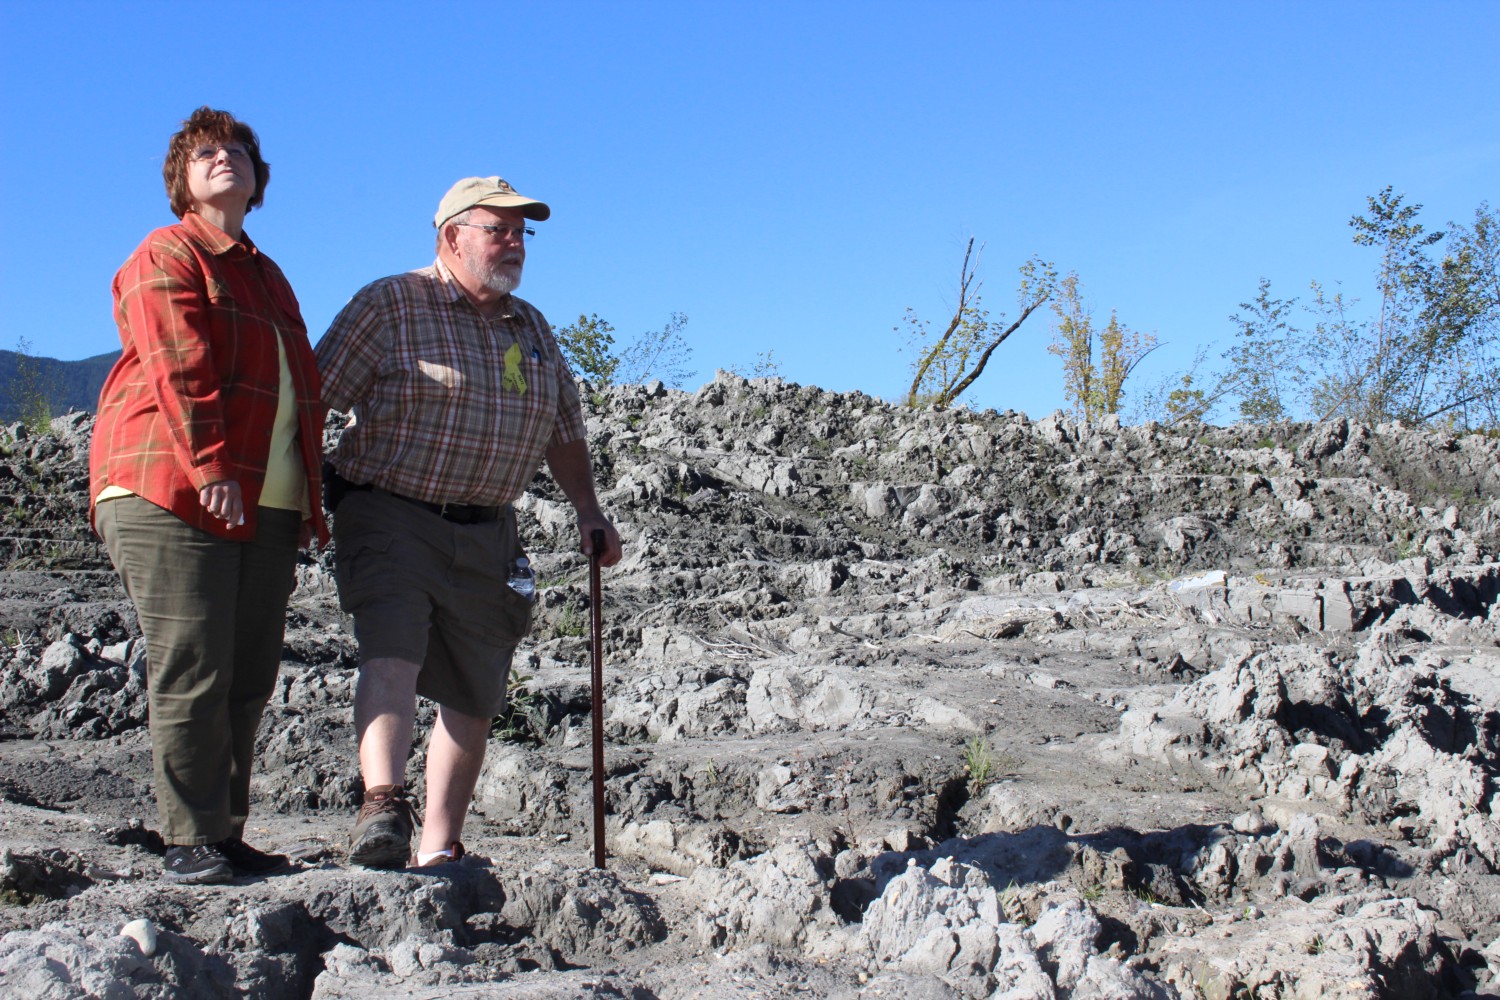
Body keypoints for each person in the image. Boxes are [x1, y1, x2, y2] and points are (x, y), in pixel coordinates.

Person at [316, 175, 622, 869]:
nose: (514, 243)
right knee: (392, 649)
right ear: (452, 235)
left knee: (476, 691)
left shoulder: (532, 328)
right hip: (390, 510)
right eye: (499, 229)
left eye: (522, 232)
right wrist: (299, 491)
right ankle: (382, 806)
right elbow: (315, 395)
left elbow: (563, 429)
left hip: (488, 527)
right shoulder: (393, 304)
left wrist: (588, 509)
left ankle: (438, 845)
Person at [90, 107, 326, 884]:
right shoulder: (168, 252)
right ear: (181, 181)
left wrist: (308, 505)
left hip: (265, 498)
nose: (225, 158)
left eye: (238, 151)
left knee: (249, 669)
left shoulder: (268, 273)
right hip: (169, 480)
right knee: (193, 660)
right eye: (205, 152)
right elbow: (178, 364)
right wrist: (212, 467)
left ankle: (222, 829)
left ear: (259, 180)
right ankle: (187, 836)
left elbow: (298, 396)